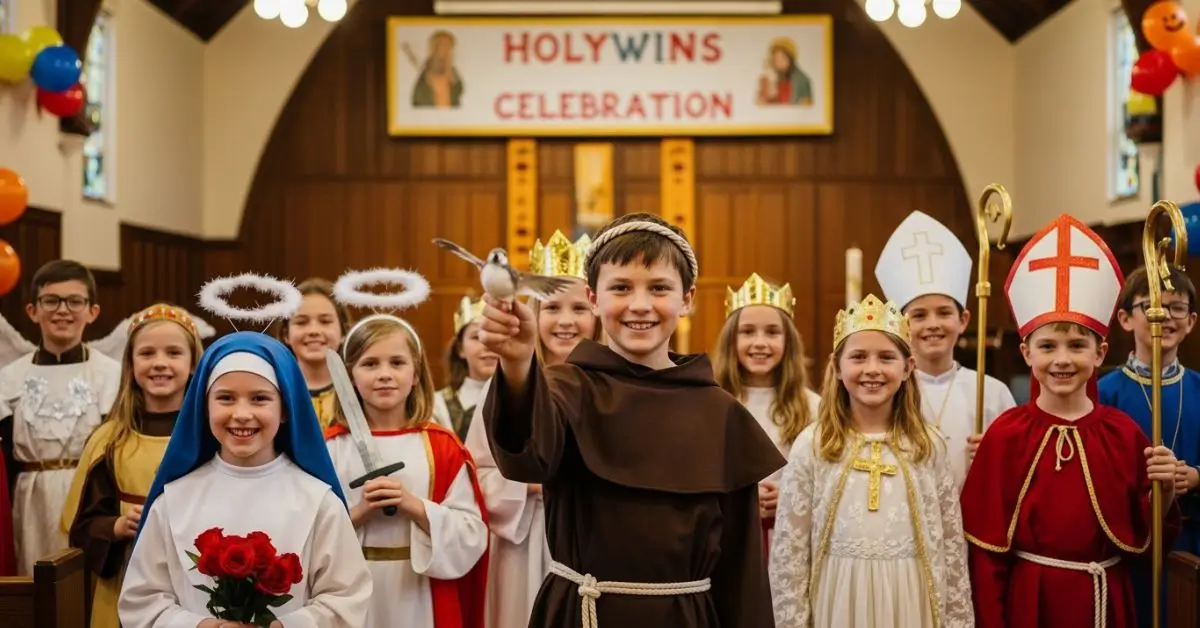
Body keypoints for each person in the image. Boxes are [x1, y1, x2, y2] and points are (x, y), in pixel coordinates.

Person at [478, 212, 783, 627]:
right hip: (584, 613)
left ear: (687, 298)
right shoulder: (565, 389)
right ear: (593, 297)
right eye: (620, 287)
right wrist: (517, 365)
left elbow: (741, 573)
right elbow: (525, 459)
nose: (640, 305)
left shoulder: (721, 413)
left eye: (659, 288)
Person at [962, 214, 1182, 628]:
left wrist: (1165, 492)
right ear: (1027, 353)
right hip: (1031, 604)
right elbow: (987, 558)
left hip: (1105, 602)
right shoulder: (1005, 435)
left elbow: (1147, 545)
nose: (1062, 359)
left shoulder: (1124, 434)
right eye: (1048, 346)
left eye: (1077, 345)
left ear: (1099, 353)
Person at [118, 328, 373, 628]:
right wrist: (201, 626)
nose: (241, 413)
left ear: (285, 409)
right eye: (225, 398)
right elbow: (142, 600)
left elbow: (347, 597)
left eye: (259, 398)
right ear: (204, 406)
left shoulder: (319, 501)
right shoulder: (172, 501)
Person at [768, 293, 973, 627]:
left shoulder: (927, 445)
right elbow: (789, 552)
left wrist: (958, 620)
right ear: (836, 366)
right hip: (838, 597)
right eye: (859, 357)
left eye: (886, 357)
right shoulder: (814, 444)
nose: (872, 369)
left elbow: (951, 543)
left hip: (910, 596)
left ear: (908, 367)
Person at [463, 230, 600, 628]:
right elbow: (475, 473)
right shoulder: (506, 384)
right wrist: (528, 484)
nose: (566, 321)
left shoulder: (612, 384)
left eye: (579, 309)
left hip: (593, 538)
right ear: (533, 314)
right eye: (553, 308)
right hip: (523, 541)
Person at [325, 313, 489, 628]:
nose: (384, 374)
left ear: (416, 374)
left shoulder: (443, 447)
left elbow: (472, 532)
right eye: (370, 364)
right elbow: (310, 533)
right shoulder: (329, 449)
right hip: (350, 593)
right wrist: (360, 511)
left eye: (397, 363)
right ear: (349, 378)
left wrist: (414, 506)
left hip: (419, 592)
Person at [62, 304, 204, 628]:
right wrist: (116, 526)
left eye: (173, 353)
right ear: (130, 364)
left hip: (196, 572)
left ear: (194, 362)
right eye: (147, 353)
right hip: (127, 573)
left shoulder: (209, 434)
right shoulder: (109, 440)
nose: (159, 363)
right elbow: (82, 525)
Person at [874, 210, 1016, 487]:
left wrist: (996, 455)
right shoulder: (888, 390)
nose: (933, 324)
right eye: (919, 315)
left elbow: (1018, 465)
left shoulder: (992, 393)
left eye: (943, 313)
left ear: (963, 321)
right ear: (901, 325)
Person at [0, 260, 121, 574]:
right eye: (51, 300)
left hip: (90, 498)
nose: (62, 310)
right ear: (32, 311)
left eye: (74, 301)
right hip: (29, 500)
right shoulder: (9, 378)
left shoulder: (112, 374)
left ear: (92, 311)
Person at [1099, 265, 1200, 628]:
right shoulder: (1102, 394)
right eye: (1153, 305)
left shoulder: (1199, 389)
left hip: (1190, 544)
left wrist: (1196, 477)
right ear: (1125, 318)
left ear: (1191, 321)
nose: (1165, 316)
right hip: (1126, 543)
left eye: (1177, 308)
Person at [713, 272, 819, 551]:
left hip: (789, 541)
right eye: (747, 332)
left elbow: (827, 479)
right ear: (730, 340)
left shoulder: (813, 408)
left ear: (789, 341)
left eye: (772, 332)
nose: (760, 342)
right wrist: (742, 499)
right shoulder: (712, 402)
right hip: (728, 539)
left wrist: (789, 494)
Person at [277, 278, 353, 429]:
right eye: (301, 322)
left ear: (344, 331)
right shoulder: (276, 391)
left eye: (325, 321)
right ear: (286, 334)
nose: (314, 331)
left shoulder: (359, 390)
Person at [434, 296, 497, 438]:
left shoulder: (527, 400)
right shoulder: (437, 407)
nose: (487, 345)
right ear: (460, 349)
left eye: (494, 336)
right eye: (476, 337)